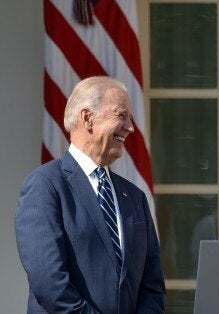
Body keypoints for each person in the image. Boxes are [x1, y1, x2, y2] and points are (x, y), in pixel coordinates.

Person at [15, 77, 165, 313]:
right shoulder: (46, 185)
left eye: (131, 118)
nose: (130, 127)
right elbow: (50, 283)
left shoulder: (134, 196)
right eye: (121, 115)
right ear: (87, 118)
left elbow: (152, 284)